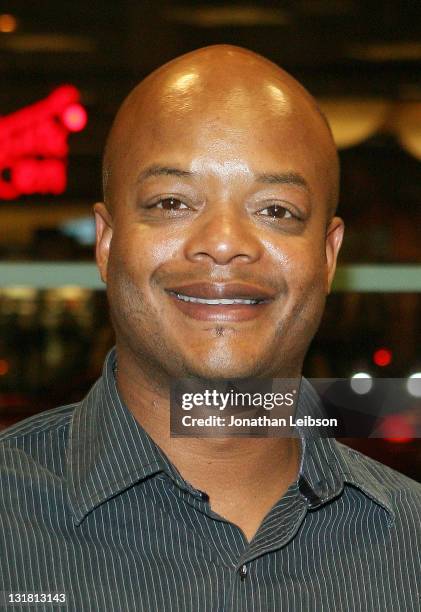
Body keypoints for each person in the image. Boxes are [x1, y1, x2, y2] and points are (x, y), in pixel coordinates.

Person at [0, 45, 420, 612]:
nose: (224, 242)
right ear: (106, 243)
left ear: (327, 256)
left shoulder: (410, 543)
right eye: (172, 201)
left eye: (276, 210)